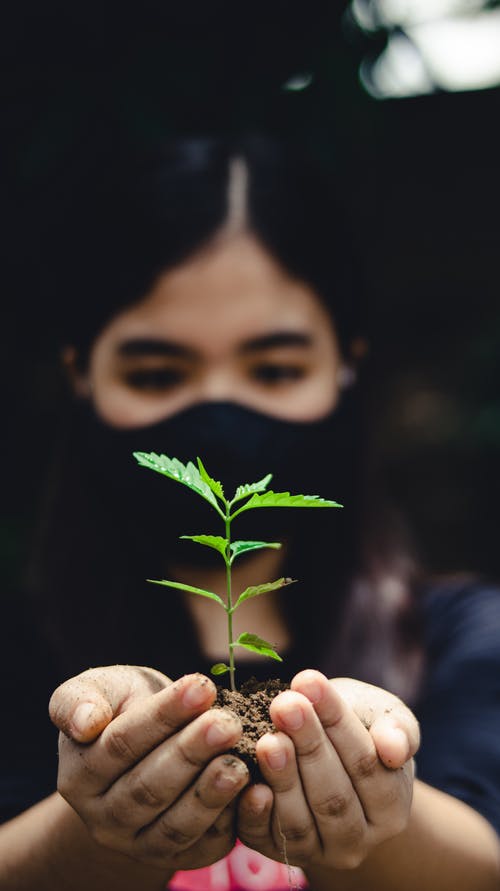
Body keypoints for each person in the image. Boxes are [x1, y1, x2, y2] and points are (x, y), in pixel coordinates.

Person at [1, 136, 499, 891]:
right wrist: (99, 825)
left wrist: (381, 804)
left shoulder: (464, 636)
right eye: (158, 371)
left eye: (273, 368)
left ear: (345, 365)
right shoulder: (21, 648)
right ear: (81, 373)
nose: (219, 412)